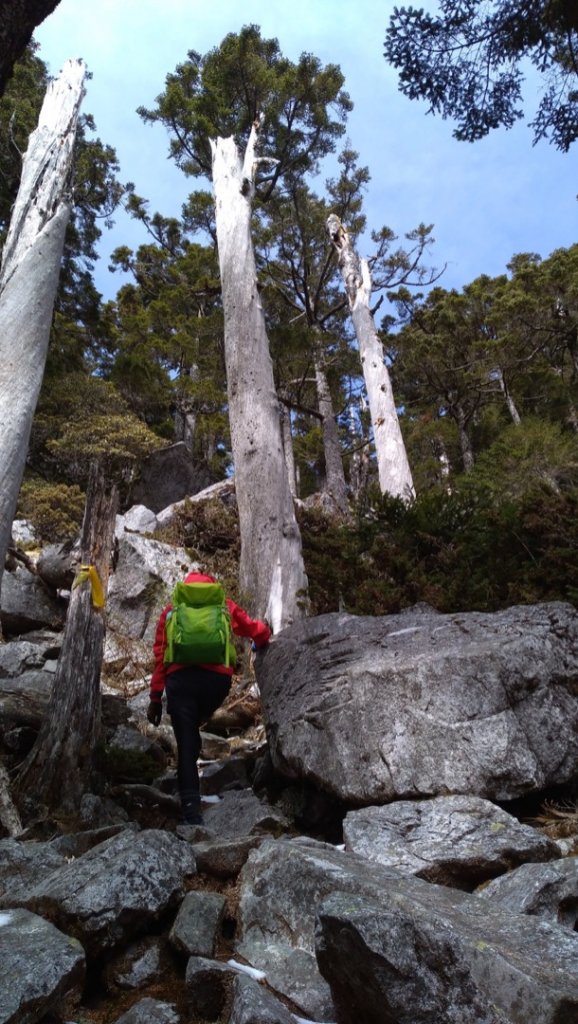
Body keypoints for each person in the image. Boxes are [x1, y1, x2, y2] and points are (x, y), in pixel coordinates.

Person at [147, 571, 271, 825]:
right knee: (195, 726)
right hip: (216, 683)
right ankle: (195, 731)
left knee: (186, 744)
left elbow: (161, 655)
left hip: (180, 682)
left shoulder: (172, 610)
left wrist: (155, 697)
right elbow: (250, 628)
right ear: (210, 586)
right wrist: (264, 637)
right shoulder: (222, 605)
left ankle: (192, 813)